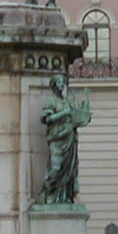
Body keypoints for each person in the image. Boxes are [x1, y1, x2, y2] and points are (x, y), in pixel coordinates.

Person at [36, 73, 91, 205]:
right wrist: (63, 113)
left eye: (63, 82)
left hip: (69, 137)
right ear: (54, 85)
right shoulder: (51, 101)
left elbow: (77, 116)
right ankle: (46, 193)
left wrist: (84, 109)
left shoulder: (68, 101)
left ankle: (63, 197)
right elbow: (47, 119)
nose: (62, 85)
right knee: (55, 168)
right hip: (56, 138)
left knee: (69, 170)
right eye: (59, 82)